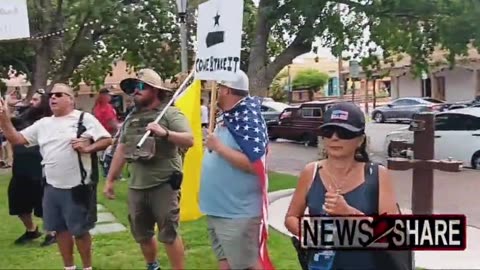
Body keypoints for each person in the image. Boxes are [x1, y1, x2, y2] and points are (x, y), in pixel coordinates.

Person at [0, 83, 112, 270]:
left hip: (78, 185)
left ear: (71, 99)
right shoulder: (44, 124)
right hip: (51, 186)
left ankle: (87, 267)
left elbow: (107, 139)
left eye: (59, 94)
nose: (53, 98)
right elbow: (17, 139)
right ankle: (69, 267)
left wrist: (88, 147)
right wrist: (3, 119)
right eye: (51, 95)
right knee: (59, 229)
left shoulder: (84, 119)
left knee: (81, 231)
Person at [284, 102, 399, 270]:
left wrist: (349, 213)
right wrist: (306, 232)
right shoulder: (311, 171)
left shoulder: (377, 175)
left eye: (344, 133)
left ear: (360, 140)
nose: (334, 138)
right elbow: (291, 218)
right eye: (328, 132)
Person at [103, 68, 193, 270]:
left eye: (141, 86)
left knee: (168, 233)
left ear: (155, 90)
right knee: (142, 233)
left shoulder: (169, 113)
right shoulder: (131, 119)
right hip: (137, 184)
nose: (136, 91)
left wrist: (165, 132)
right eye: (133, 87)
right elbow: (122, 149)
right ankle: (153, 266)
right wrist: (110, 180)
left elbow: (190, 139)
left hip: (164, 183)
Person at [199, 70, 272, 270]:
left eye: (219, 88)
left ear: (227, 90)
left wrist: (219, 147)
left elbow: (254, 164)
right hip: (218, 208)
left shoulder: (248, 120)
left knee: (248, 264)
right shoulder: (229, 118)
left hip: (237, 213)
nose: (215, 92)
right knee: (226, 262)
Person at [7, 89, 56, 247]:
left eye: (36, 100)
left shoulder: (49, 120)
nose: (31, 103)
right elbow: (9, 124)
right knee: (18, 200)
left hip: (39, 166)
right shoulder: (25, 116)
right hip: (21, 166)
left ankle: (52, 233)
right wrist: (7, 107)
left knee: (42, 202)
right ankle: (31, 230)